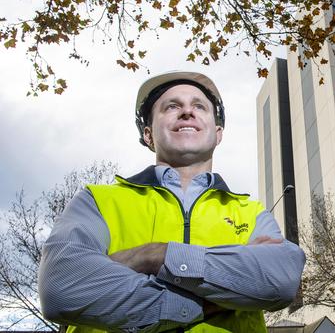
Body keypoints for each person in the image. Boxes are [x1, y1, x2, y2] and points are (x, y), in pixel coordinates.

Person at [38, 72, 305, 333]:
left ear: (218, 133)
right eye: (172, 106)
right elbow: (61, 287)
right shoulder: (97, 201)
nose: (187, 112)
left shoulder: (251, 211)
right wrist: (206, 300)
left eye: (199, 106)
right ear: (148, 134)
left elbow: (280, 281)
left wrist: (155, 255)